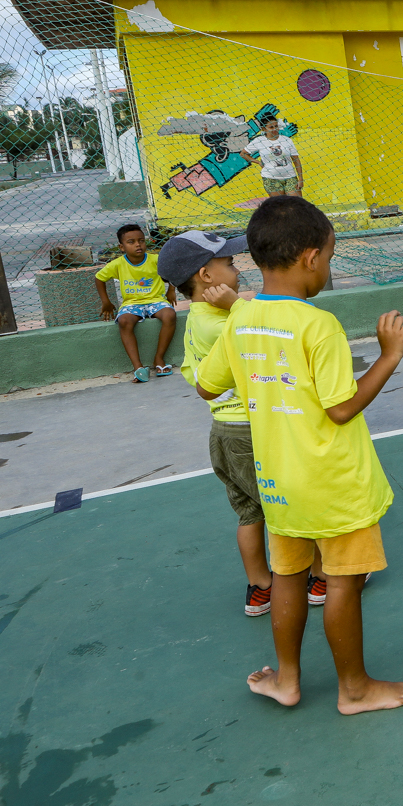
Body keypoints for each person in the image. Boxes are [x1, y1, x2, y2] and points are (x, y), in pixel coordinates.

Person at [195, 196, 403, 715]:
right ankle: (354, 689)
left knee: (288, 576)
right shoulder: (319, 326)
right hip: (333, 482)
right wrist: (389, 356)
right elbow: (341, 409)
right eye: (331, 257)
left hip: (277, 480)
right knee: (341, 582)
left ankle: (287, 680)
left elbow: (207, 387)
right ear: (311, 257)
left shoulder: (241, 320)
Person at [164, 229, 280, 616]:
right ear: (206, 276)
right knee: (285, 507)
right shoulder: (223, 323)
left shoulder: (198, 320)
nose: (238, 269)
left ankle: (260, 587)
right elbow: (267, 330)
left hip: (224, 433)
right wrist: (240, 306)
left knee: (250, 512)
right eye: (229, 263)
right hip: (251, 432)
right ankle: (320, 576)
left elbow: (191, 372)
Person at [96, 223, 177, 383]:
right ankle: (138, 367)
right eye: (131, 242)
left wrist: (171, 290)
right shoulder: (118, 264)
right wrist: (106, 302)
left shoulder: (155, 259)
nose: (138, 245)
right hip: (132, 303)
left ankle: (159, 359)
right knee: (124, 321)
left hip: (156, 300)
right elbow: (99, 278)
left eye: (141, 240)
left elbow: (171, 269)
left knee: (169, 315)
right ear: (122, 247)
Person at [243, 116, 305, 197]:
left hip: (290, 177)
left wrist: (300, 178)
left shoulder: (286, 140)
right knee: (278, 203)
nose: (275, 129)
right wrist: (258, 162)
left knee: (295, 202)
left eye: (276, 126)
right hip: (271, 178)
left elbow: (296, 159)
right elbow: (243, 153)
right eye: (271, 127)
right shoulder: (259, 141)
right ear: (264, 129)